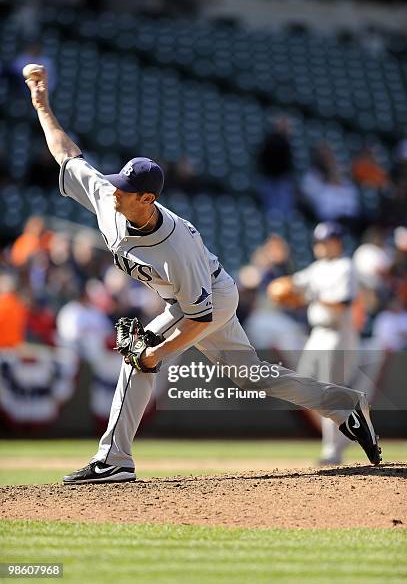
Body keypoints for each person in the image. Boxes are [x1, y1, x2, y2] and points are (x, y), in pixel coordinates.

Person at [25, 65, 382, 484]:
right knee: (253, 376)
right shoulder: (110, 198)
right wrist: (42, 106)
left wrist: (155, 353)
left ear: (148, 198)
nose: (113, 190)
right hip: (195, 296)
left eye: (124, 188)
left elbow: (200, 316)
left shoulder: (176, 245)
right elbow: (67, 154)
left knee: (139, 357)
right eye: (115, 183)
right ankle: (346, 405)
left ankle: (114, 459)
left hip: (206, 295)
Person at [270, 223, 361, 465]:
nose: (320, 245)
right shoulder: (318, 268)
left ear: (337, 242)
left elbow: (341, 303)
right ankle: (355, 424)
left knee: (328, 392)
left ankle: (333, 451)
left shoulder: (345, 266)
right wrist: (281, 265)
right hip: (318, 334)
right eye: (318, 241)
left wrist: (309, 296)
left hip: (338, 334)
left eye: (326, 241)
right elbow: (294, 284)